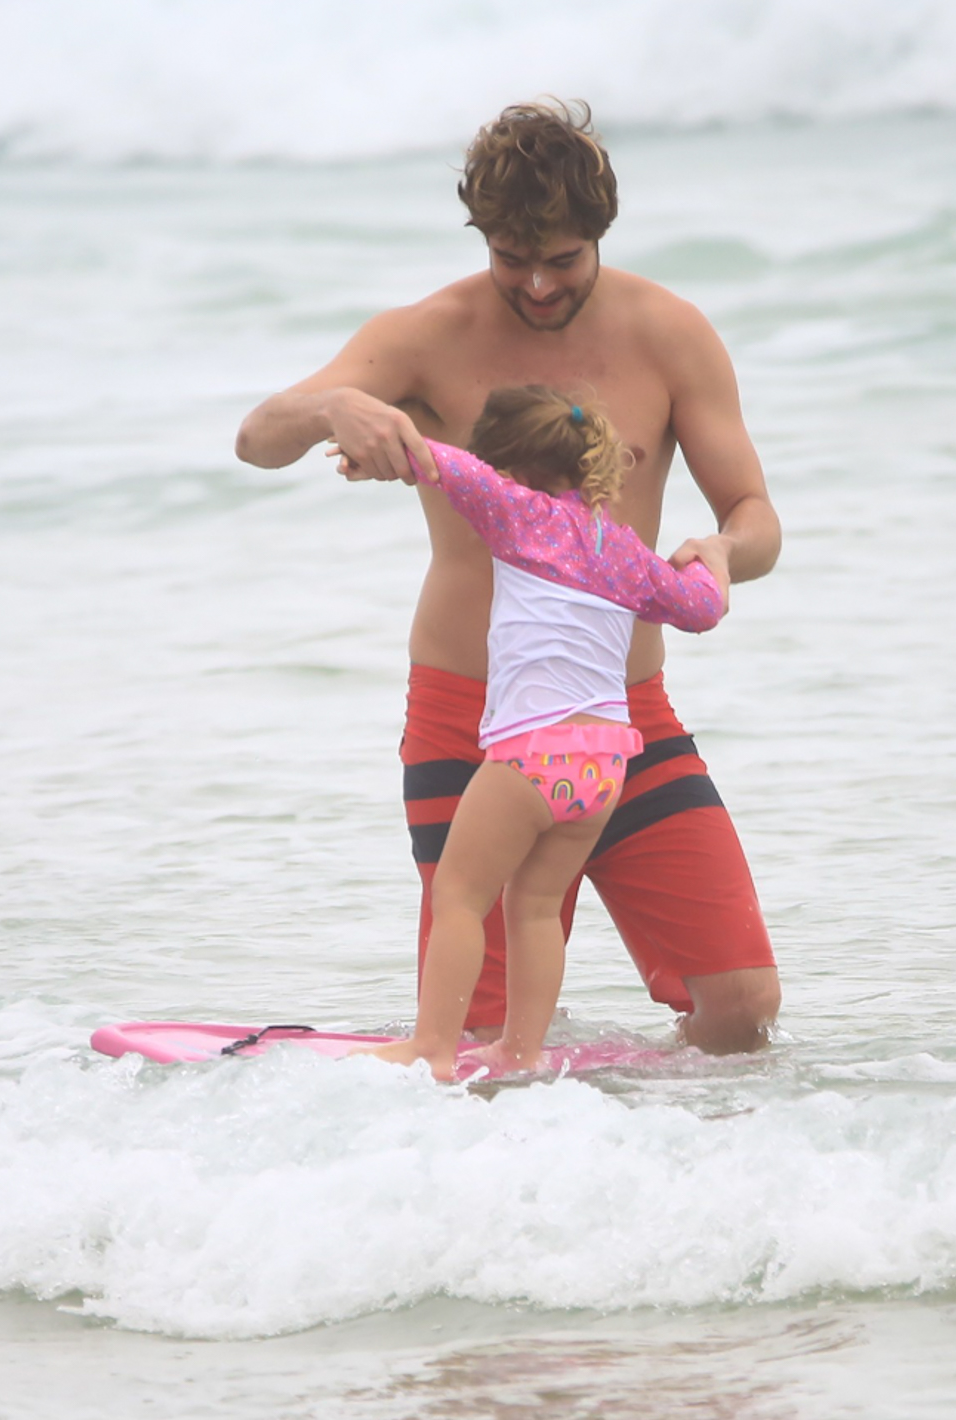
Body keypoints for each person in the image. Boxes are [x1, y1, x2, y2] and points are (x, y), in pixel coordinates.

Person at [236, 99, 782, 1053]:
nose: (534, 284)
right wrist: (336, 408)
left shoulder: (670, 333)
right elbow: (257, 439)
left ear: (600, 233)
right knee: (475, 1029)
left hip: (622, 719)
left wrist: (724, 553)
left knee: (739, 1006)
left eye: (561, 260)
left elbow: (757, 517)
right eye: (508, 259)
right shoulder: (425, 334)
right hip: (468, 718)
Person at [357, 387, 725, 1078]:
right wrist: (714, 558)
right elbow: (703, 610)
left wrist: (369, 449)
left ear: (515, 470)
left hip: (530, 755)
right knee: (534, 908)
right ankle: (521, 1051)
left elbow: (433, 461)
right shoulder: (628, 554)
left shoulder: (517, 511)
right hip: (605, 766)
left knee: (461, 897)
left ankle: (433, 1047)